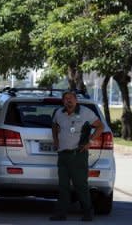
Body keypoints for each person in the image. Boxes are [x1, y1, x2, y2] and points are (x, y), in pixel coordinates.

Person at [50, 90, 104, 222]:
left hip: (78, 155)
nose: (68, 101)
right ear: (63, 101)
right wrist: (56, 140)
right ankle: (61, 213)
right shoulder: (59, 113)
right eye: (66, 98)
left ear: (76, 100)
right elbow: (54, 126)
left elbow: (100, 127)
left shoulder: (86, 112)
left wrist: (90, 142)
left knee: (80, 185)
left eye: (71, 98)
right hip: (63, 154)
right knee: (63, 186)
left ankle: (87, 212)